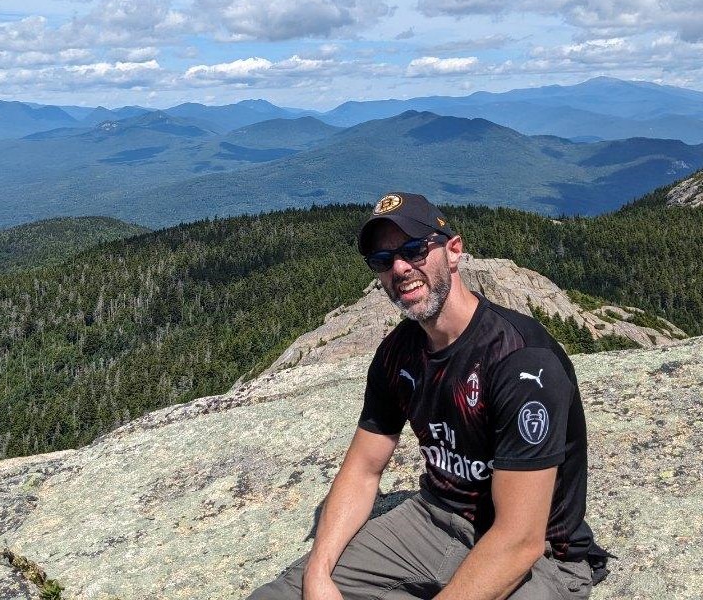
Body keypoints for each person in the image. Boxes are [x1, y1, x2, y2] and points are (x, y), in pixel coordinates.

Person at [247, 192, 608, 600]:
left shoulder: (521, 362)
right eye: (383, 262)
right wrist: (318, 572)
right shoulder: (398, 352)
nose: (399, 268)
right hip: (433, 521)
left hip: (541, 557)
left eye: (414, 250)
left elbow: (518, 539)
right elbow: (364, 469)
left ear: (454, 252)